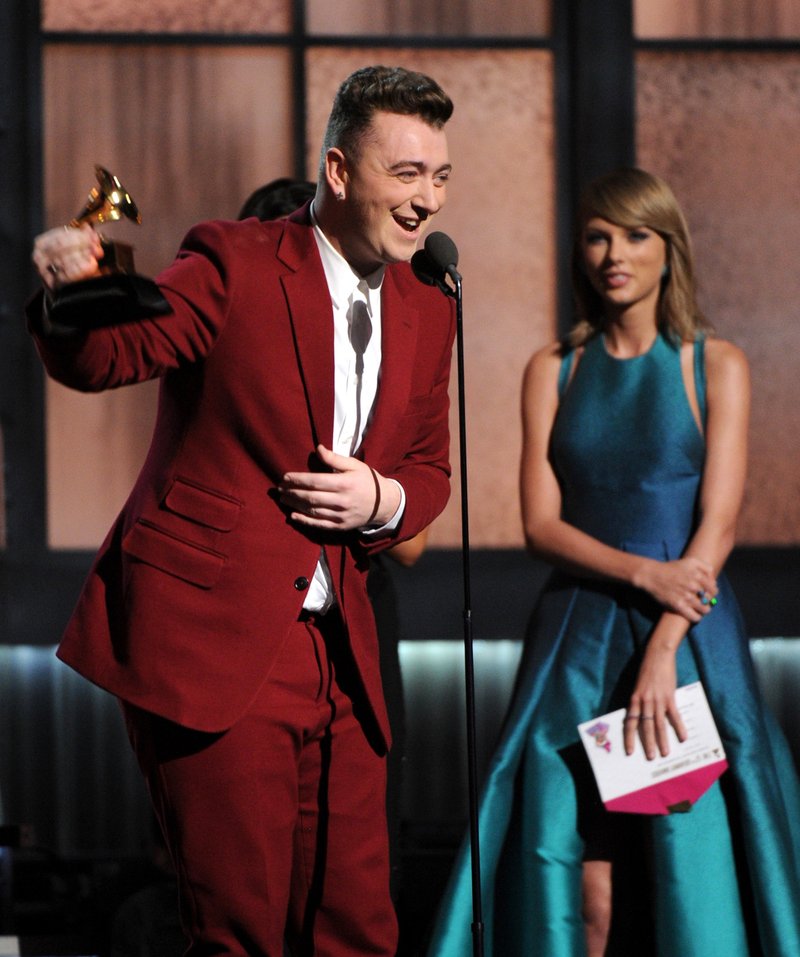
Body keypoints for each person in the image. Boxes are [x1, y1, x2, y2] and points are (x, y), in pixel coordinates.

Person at [28, 64, 456, 957]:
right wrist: (69, 297)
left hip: (341, 651)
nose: (427, 201)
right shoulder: (236, 259)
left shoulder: (429, 305)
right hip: (216, 639)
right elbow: (114, 352)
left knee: (360, 928)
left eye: (440, 176)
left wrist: (386, 499)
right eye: (406, 174)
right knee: (239, 929)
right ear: (340, 171)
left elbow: (428, 467)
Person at [427, 167, 800, 956]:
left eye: (636, 235)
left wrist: (664, 641)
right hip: (577, 637)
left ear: (671, 250)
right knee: (577, 884)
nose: (613, 253)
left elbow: (720, 523)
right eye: (598, 235)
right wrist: (642, 572)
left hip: (689, 636)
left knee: (688, 878)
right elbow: (539, 525)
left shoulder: (714, 364)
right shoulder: (553, 369)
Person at [237, 174, 431, 900]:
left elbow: (412, 540)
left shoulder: (378, 371)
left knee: (351, 869)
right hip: (250, 623)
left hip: (357, 622)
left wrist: (371, 495)